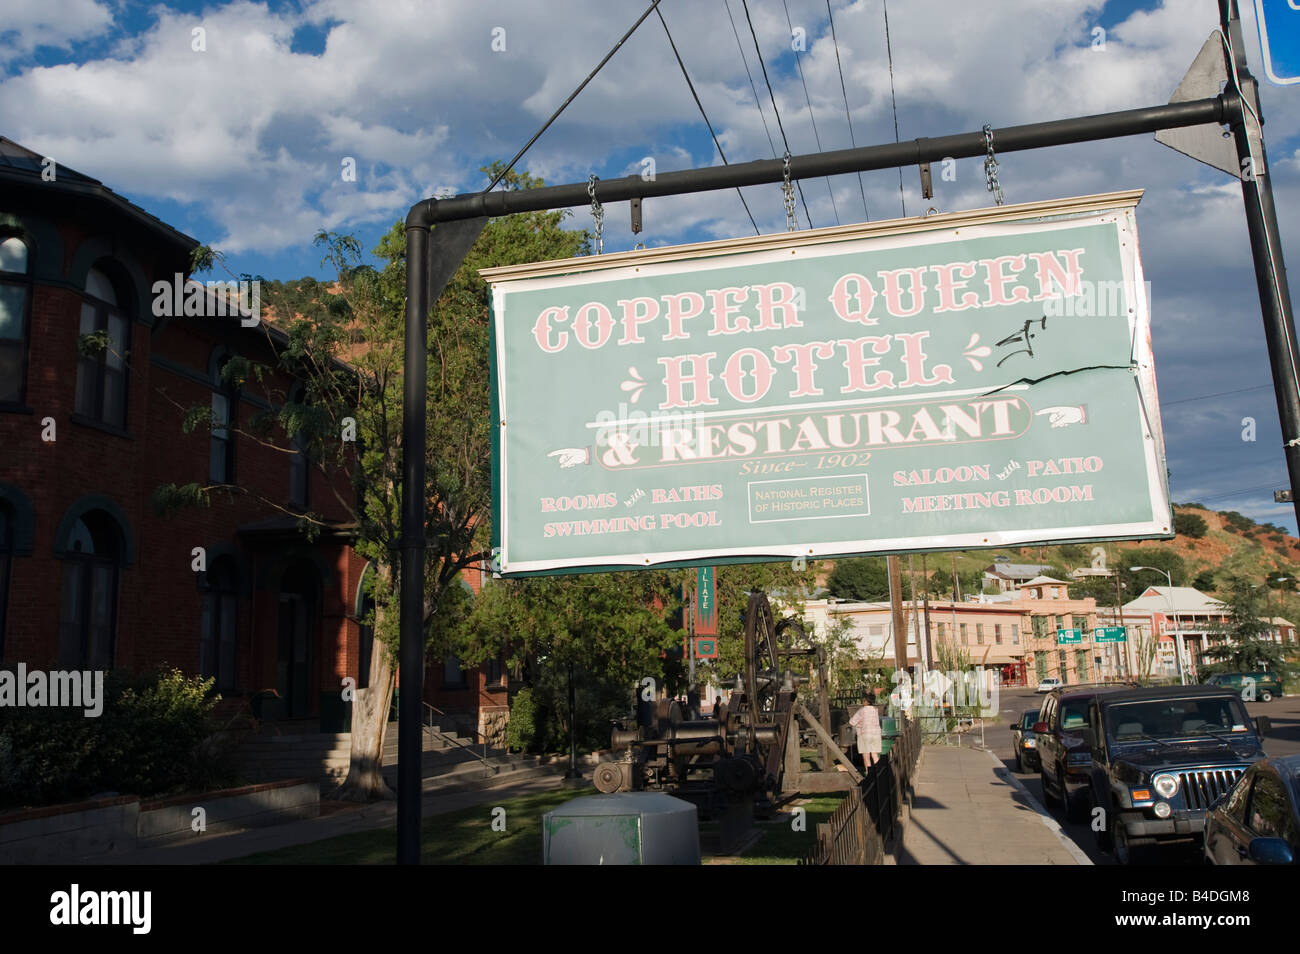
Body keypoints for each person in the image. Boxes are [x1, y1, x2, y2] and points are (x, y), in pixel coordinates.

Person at [849, 691, 882, 767]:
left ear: (867, 702)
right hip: (876, 735)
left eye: (863, 701)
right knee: (875, 755)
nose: (862, 702)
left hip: (865, 735)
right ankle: (878, 773)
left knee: (866, 757)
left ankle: (869, 775)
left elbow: (852, 722)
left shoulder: (862, 710)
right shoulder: (875, 710)